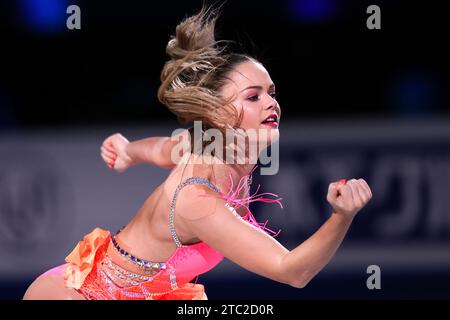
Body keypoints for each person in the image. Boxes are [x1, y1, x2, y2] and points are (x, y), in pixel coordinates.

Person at [23, 5, 372, 300]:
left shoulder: (207, 145)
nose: (271, 103)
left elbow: (163, 149)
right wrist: (341, 217)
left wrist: (130, 151)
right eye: (253, 96)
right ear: (216, 113)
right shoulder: (197, 199)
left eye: (272, 92)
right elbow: (291, 271)